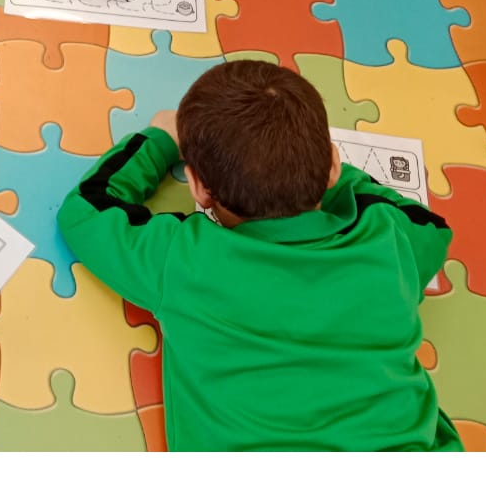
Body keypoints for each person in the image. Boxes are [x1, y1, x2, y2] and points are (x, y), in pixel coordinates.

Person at [58, 59, 460, 451]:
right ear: (333, 165)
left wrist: (162, 139)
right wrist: (328, 175)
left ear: (198, 188)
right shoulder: (391, 240)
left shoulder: (184, 258)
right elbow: (430, 228)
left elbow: (85, 210)